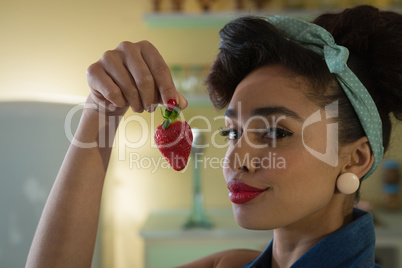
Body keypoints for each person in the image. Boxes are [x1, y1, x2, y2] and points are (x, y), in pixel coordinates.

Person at [26, 5, 402, 268]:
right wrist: (101, 109)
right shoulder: (230, 264)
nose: (237, 158)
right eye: (233, 132)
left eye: (275, 132)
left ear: (355, 158)